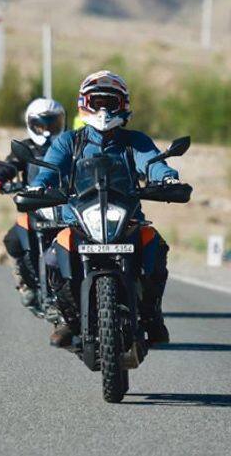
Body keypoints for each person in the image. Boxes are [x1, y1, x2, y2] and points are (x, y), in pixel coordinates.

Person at [29, 70, 179, 347]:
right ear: (84, 103)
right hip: (78, 219)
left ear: (122, 105)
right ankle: (66, 318)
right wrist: (38, 186)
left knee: (155, 245)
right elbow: (47, 171)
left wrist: (166, 176)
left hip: (127, 219)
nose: (103, 109)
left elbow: (153, 162)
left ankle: (152, 314)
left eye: (109, 102)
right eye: (96, 102)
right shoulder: (68, 142)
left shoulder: (136, 141)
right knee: (53, 256)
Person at [0, 98, 66, 313]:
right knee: (13, 240)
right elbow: (10, 165)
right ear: (31, 124)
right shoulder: (25, 148)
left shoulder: (68, 145)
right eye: (42, 125)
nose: (48, 130)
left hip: (65, 206)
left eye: (53, 124)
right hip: (35, 207)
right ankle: (24, 281)